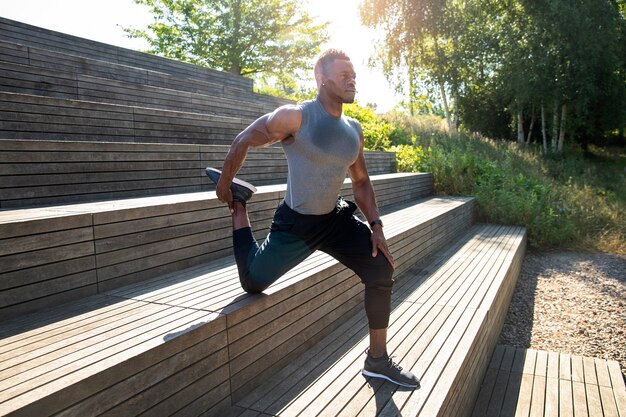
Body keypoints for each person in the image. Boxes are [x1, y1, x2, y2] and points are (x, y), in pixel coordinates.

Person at [206, 49, 419, 389]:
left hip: (333, 219)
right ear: (322, 78)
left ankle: (377, 361)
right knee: (252, 282)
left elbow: (361, 181)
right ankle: (240, 206)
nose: (352, 79)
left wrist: (376, 225)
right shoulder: (296, 117)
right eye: (343, 74)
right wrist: (224, 184)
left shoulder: (354, 130)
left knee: (381, 267)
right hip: (297, 224)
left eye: (353, 74)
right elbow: (245, 138)